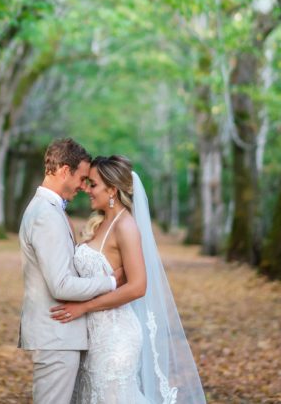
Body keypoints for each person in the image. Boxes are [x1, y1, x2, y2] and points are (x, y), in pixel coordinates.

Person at [50, 155, 207, 403]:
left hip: (115, 339)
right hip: (92, 336)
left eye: (93, 184)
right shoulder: (100, 222)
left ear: (112, 189)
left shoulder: (126, 226)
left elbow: (137, 286)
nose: (87, 190)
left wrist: (84, 307)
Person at [18, 138, 122, 404]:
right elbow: (62, 285)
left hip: (60, 336)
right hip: (56, 336)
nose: (83, 186)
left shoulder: (48, 210)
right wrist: (110, 282)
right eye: (82, 177)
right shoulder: (46, 215)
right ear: (65, 170)